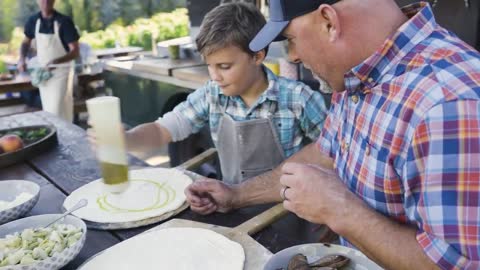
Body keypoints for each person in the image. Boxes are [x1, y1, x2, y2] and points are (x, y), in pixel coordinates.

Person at [185, 0, 480, 269]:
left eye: (290, 40)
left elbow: (459, 264)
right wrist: (236, 195)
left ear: (329, 21)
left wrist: (340, 210)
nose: (294, 56)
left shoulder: (449, 102)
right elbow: (326, 152)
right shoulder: (356, 75)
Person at [88, 2, 328, 185]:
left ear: (257, 56)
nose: (214, 76)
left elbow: (332, 157)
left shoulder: (298, 99)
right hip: (233, 206)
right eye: (209, 66)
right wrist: (127, 140)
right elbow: (162, 131)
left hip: (290, 213)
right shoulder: (212, 95)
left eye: (224, 67)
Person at [17, 0, 80, 122]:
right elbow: (26, 42)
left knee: (56, 109)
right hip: (44, 74)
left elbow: (75, 52)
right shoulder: (33, 21)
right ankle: (62, 136)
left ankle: (63, 134)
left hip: (61, 73)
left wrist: (55, 61)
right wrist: (21, 59)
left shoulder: (64, 22)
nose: (45, 1)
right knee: (51, 110)